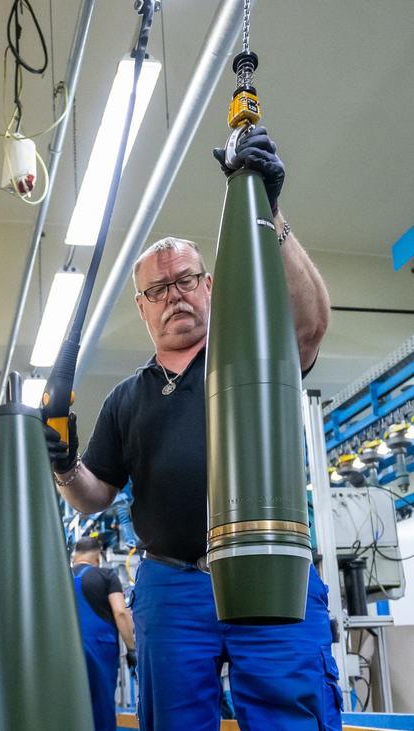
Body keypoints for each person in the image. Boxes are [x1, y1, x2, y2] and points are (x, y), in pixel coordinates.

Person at [44, 127, 340, 731]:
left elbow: (309, 327)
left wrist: (272, 211)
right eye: (157, 289)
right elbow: (95, 494)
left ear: (208, 285)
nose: (173, 296)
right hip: (171, 585)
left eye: (185, 280)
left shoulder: (253, 354)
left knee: (293, 715)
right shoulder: (127, 397)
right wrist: (65, 465)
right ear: (142, 306)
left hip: (268, 570)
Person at [70, 535, 136, 731]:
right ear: (98, 556)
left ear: (75, 555)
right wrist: (131, 649)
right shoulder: (106, 576)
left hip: (66, 648)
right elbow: (121, 612)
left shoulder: (60, 576)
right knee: (101, 707)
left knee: (69, 705)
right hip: (99, 648)